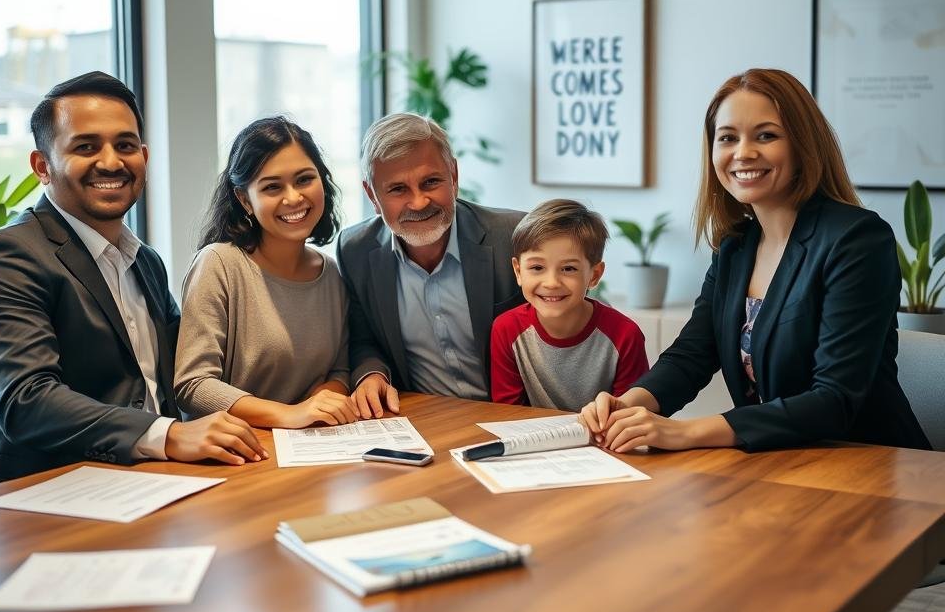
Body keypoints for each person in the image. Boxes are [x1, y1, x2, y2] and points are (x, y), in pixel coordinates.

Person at [579, 68, 929, 454]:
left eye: (766, 135)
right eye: (728, 137)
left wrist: (685, 432)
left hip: (865, 464)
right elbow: (692, 354)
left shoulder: (857, 240)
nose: (743, 152)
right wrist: (627, 405)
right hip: (775, 460)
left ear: (802, 145)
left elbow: (834, 399)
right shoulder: (735, 246)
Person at [0, 72, 266, 488]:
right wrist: (169, 435)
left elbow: (190, 371)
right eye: (86, 147)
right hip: (43, 491)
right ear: (42, 166)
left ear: (143, 155)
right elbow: (26, 401)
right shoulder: (7, 256)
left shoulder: (146, 262)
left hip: (158, 480)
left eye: (125, 146)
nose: (110, 161)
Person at [336, 113, 525, 417]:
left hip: (520, 420)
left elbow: (584, 326)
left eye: (431, 182)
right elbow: (363, 339)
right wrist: (373, 375)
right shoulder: (355, 250)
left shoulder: (514, 236)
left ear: (454, 176)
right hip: (427, 420)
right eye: (397, 189)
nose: (419, 202)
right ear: (372, 195)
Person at [175, 117, 356, 428]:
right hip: (238, 450)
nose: (294, 198)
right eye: (272, 186)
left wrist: (322, 402)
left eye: (304, 179)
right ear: (245, 199)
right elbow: (193, 385)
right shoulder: (218, 263)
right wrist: (290, 414)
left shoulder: (331, 274)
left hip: (312, 446)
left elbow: (340, 371)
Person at [491, 199, 649, 409]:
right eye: (537, 267)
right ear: (518, 271)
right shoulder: (506, 330)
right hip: (533, 439)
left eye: (568, 269)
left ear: (594, 275)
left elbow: (630, 416)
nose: (551, 283)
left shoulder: (625, 335)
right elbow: (507, 413)